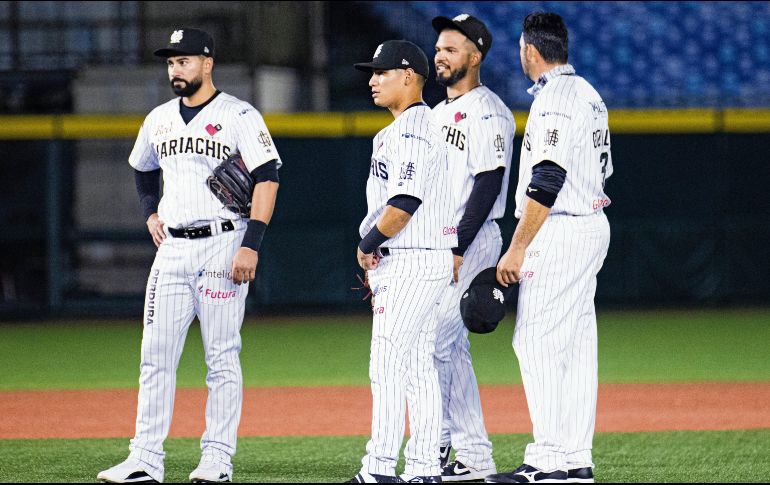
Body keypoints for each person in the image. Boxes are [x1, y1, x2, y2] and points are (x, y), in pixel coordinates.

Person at [97, 27, 281, 484]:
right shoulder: (158, 118)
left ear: (207, 63)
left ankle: (217, 460)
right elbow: (141, 169)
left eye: (183, 60)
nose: (175, 69)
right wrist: (149, 213)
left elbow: (268, 176)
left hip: (224, 244)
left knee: (221, 356)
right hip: (172, 248)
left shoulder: (239, 114)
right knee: (154, 355)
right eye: (170, 62)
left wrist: (250, 244)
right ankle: (144, 459)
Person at [485, 12, 612, 484]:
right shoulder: (589, 94)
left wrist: (518, 247)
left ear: (529, 51)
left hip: (558, 230)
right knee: (576, 346)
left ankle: (548, 460)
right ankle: (576, 459)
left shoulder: (555, 99)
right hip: (590, 223)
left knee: (535, 341)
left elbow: (548, 179)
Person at [347, 40, 457, 484]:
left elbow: (404, 202)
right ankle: (425, 468)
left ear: (408, 76)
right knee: (416, 368)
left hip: (409, 261)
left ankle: (378, 468)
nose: (372, 80)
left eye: (382, 72)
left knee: (387, 363)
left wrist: (368, 242)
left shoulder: (413, 127)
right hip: (424, 260)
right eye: (372, 72)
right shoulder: (401, 129)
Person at [430, 13, 515, 483]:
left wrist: (459, 246)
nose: (441, 55)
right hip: (437, 243)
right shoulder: (436, 113)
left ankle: (463, 450)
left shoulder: (489, 111)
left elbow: (488, 181)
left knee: (440, 342)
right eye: (439, 47)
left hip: (471, 239)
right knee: (444, 347)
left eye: (452, 48)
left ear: (475, 56)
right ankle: (458, 451)